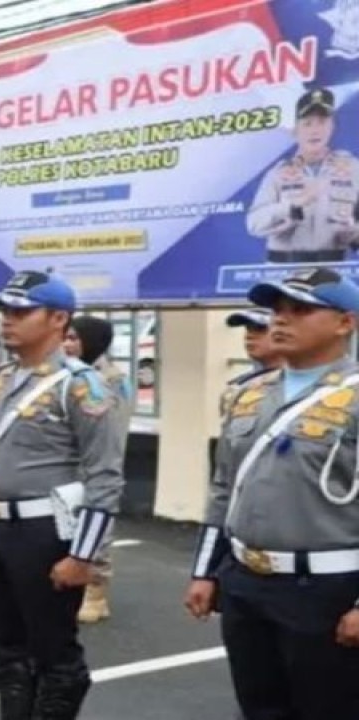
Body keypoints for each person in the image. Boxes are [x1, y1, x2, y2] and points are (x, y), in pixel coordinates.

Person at [185, 267, 359, 719]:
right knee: (260, 707)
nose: (280, 320)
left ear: (346, 322)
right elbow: (224, 487)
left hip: (325, 589)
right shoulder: (247, 395)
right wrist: (206, 571)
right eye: (277, 309)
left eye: (300, 310)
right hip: (245, 582)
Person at [0, 271, 125, 719]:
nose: (7, 320)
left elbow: (106, 477)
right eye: (5, 311)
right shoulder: (2, 379)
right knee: (7, 645)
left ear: (59, 319)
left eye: (21, 312)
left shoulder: (81, 385)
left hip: (43, 531)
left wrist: (83, 556)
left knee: (53, 649)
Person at [63, 316, 134, 625]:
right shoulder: (64, 373)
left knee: (96, 521)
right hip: (66, 463)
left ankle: (96, 591)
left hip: (96, 461)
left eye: (74, 338)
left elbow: (113, 431)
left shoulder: (110, 379)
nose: (67, 344)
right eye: (65, 338)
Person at [248, 88, 359, 263]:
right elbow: (254, 223)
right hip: (284, 270)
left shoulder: (353, 170)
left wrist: (354, 234)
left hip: (334, 269)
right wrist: (293, 205)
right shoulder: (278, 173)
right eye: (307, 123)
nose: (315, 131)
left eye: (322, 122)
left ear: (332, 126)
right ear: (296, 130)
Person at [220, 308, 284, 414]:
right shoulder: (238, 386)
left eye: (260, 329)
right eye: (248, 329)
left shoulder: (300, 382)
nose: (249, 336)